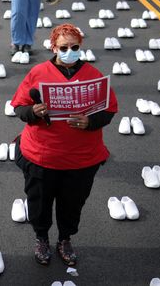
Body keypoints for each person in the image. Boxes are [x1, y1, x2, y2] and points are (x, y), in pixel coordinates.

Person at [10, 23, 117, 267]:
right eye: (64, 47)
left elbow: (109, 110)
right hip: (42, 155)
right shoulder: (38, 72)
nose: (70, 51)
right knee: (39, 200)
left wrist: (90, 121)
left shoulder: (94, 75)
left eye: (75, 47)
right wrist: (33, 111)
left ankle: (65, 239)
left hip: (81, 158)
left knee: (73, 202)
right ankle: (41, 238)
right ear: (53, 47)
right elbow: (19, 107)